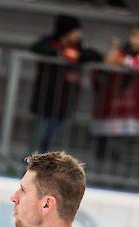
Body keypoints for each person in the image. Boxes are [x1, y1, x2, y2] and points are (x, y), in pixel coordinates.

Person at [92, 20, 139, 174]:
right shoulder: (119, 52)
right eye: (136, 36)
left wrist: (124, 62)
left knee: (120, 152)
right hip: (109, 109)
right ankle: (98, 179)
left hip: (130, 113)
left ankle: (117, 182)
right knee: (101, 150)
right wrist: (106, 63)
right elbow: (99, 75)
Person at [29, 15, 103, 153]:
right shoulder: (50, 42)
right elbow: (37, 47)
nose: (79, 34)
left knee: (53, 141)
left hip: (64, 103)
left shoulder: (80, 47)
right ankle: (29, 168)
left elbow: (96, 55)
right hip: (44, 101)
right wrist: (61, 52)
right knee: (39, 138)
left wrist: (77, 55)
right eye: (75, 31)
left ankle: (46, 171)